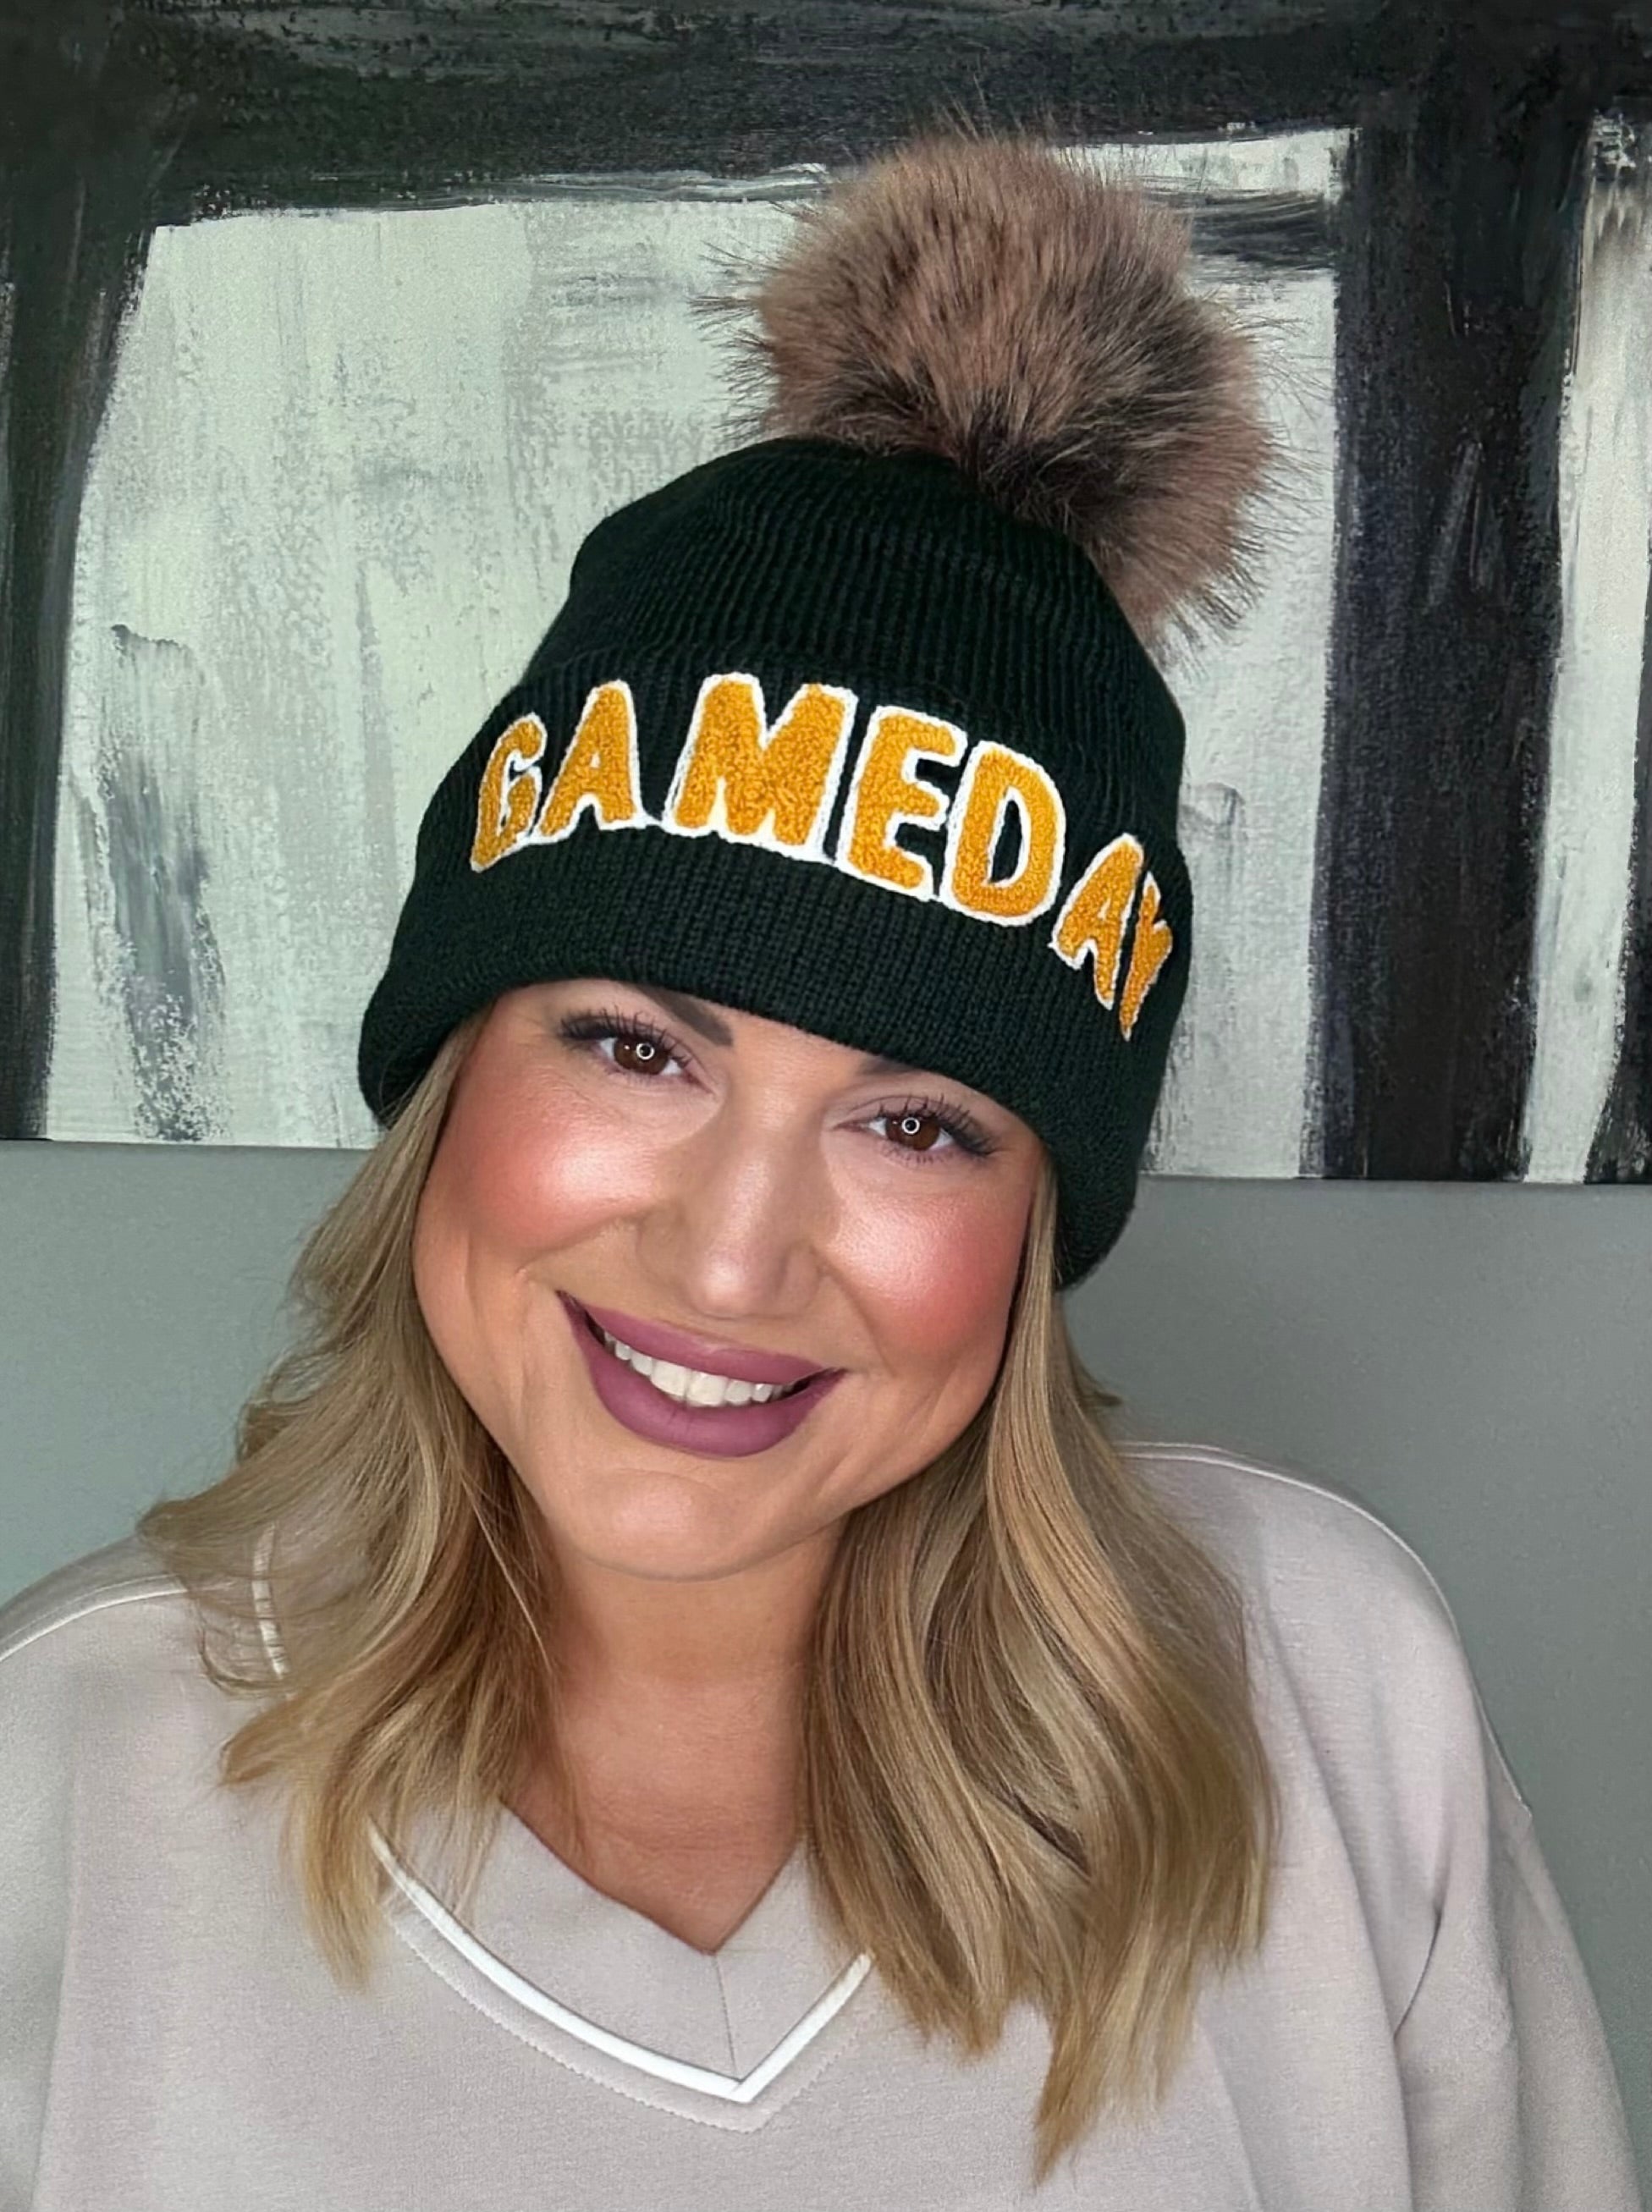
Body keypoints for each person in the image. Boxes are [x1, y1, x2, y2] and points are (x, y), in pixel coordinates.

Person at [1, 124, 1642, 2212]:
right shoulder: (59, 1767)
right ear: (449, 1076)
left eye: (916, 1120)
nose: (730, 1253)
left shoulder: (1325, 1694)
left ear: (1037, 1213)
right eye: (634, 1045)